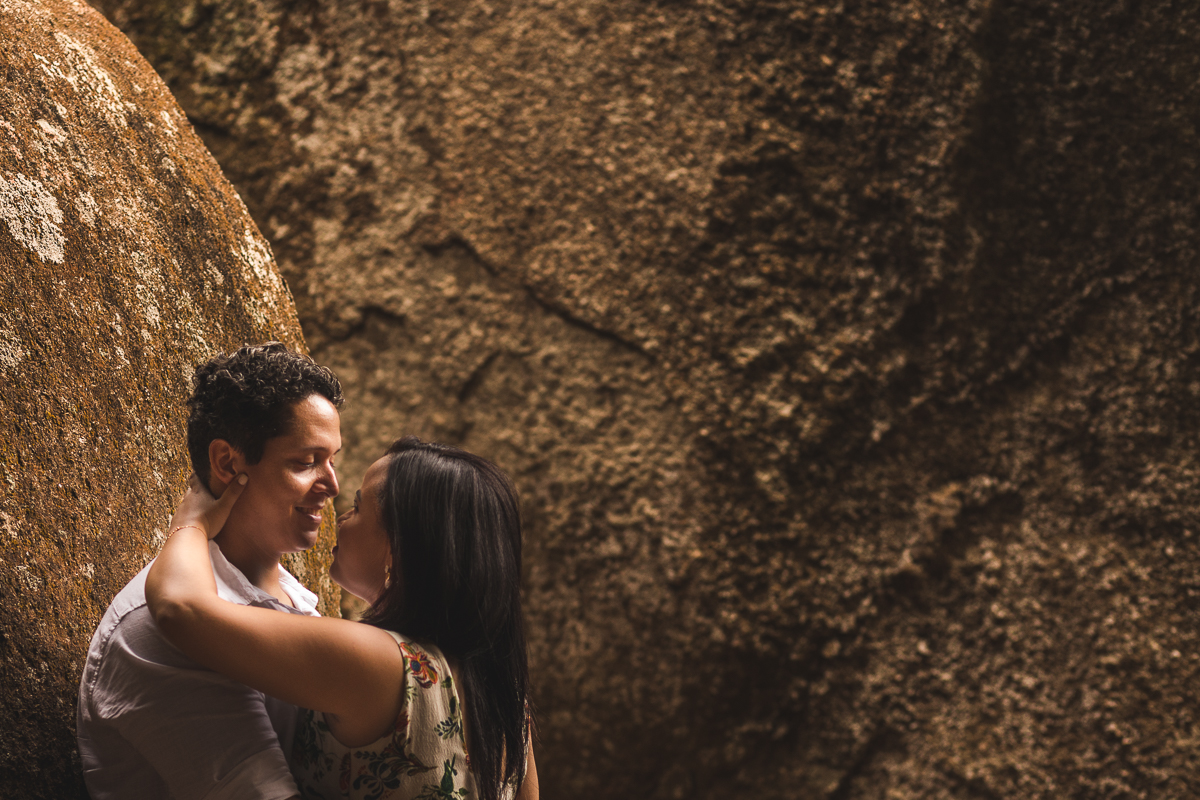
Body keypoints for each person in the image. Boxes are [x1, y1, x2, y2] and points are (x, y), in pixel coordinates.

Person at [145, 436, 539, 800]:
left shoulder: (381, 663)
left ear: (397, 545)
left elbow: (180, 609)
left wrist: (191, 524)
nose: (341, 516)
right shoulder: (506, 701)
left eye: (357, 505)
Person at [77, 342, 344, 800]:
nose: (333, 485)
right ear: (227, 462)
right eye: (305, 462)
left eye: (332, 459)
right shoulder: (159, 630)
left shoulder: (294, 598)